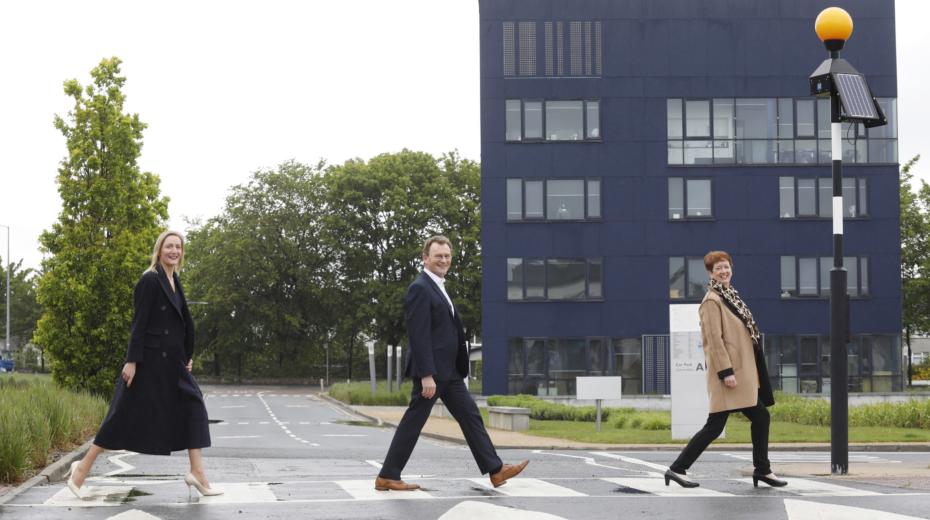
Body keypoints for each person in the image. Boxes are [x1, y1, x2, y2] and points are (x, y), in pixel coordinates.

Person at [66, 230, 222, 499]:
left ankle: (197, 473)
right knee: (120, 417)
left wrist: (187, 355)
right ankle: (80, 470)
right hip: (148, 363)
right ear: (159, 250)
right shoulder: (150, 280)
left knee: (193, 407)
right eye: (169, 246)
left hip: (173, 363)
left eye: (178, 247)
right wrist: (131, 361)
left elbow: (182, 323)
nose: (174, 251)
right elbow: (139, 324)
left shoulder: (175, 279)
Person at [374, 235, 528, 491]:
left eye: (447, 256)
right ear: (426, 259)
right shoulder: (420, 288)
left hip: (450, 373)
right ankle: (387, 475)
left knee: (471, 417)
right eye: (438, 256)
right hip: (433, 373)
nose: (443, 260)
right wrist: (426, 375)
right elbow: (419, 334)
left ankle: (496, 470)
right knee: (413, 423)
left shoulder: (439, 286)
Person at [665, 251, 787, 489]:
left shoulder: (730, 296)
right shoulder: (712, 301)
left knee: (760, 416)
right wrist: (725, 372)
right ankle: (677, 469)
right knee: (715, 426)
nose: (723, 271)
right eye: (718, 268)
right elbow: (713, 339)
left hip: (741, 372)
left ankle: (762, 469)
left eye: (726, 267)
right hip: (730, 375)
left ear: (731, 268)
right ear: (710, 273)